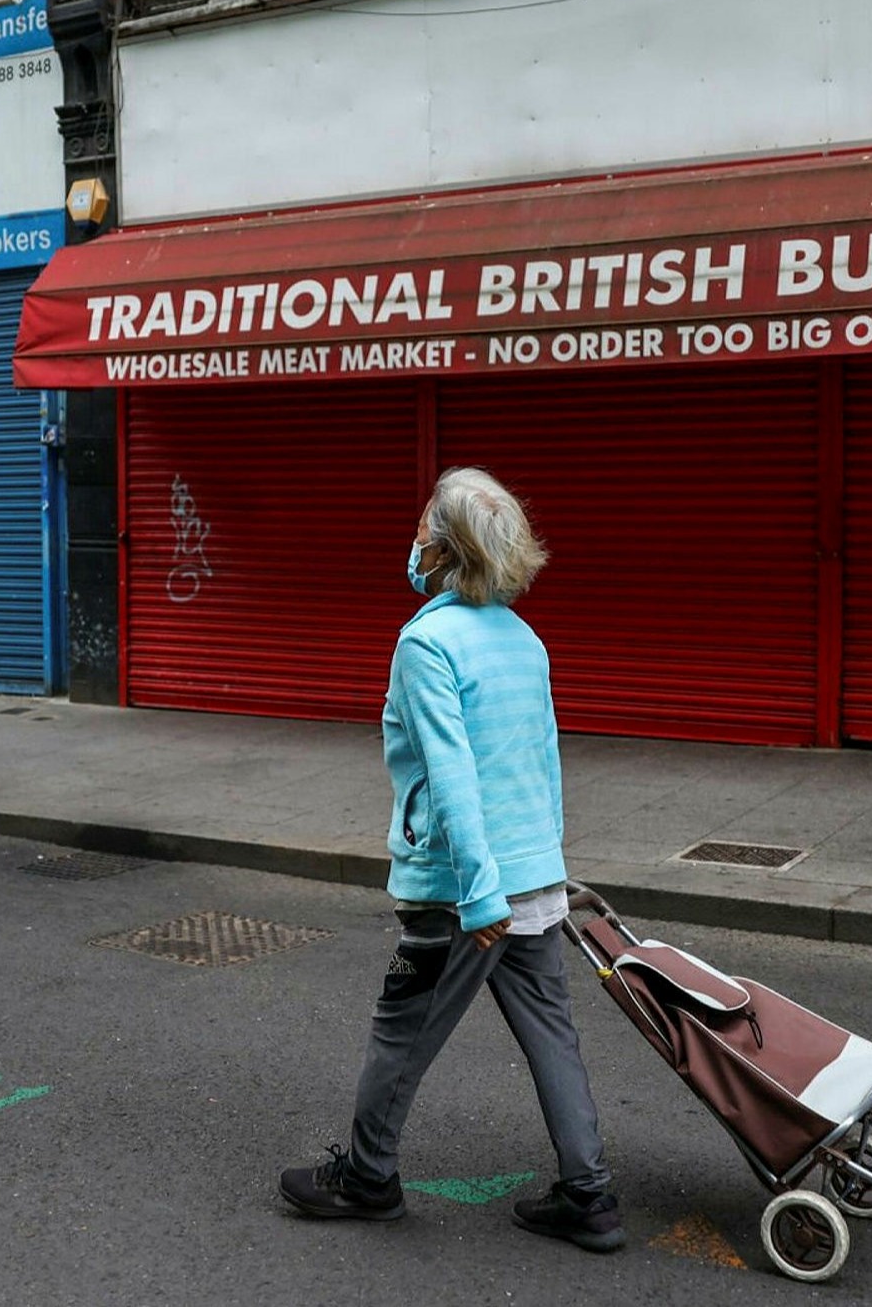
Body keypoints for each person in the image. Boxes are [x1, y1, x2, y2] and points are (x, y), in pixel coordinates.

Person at [277, 466, 623, 1253]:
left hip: (464, 889)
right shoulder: (523, 638)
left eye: (425, 529)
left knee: (401, 1032)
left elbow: (453, 775)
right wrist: (544, 866)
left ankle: (366, 1179)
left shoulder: (427, 642)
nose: (416, 542)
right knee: (552, 1034)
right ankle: (590, 1195)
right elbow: (542, 763)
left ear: (448, 548)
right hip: (530, 878)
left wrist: (478, 895)